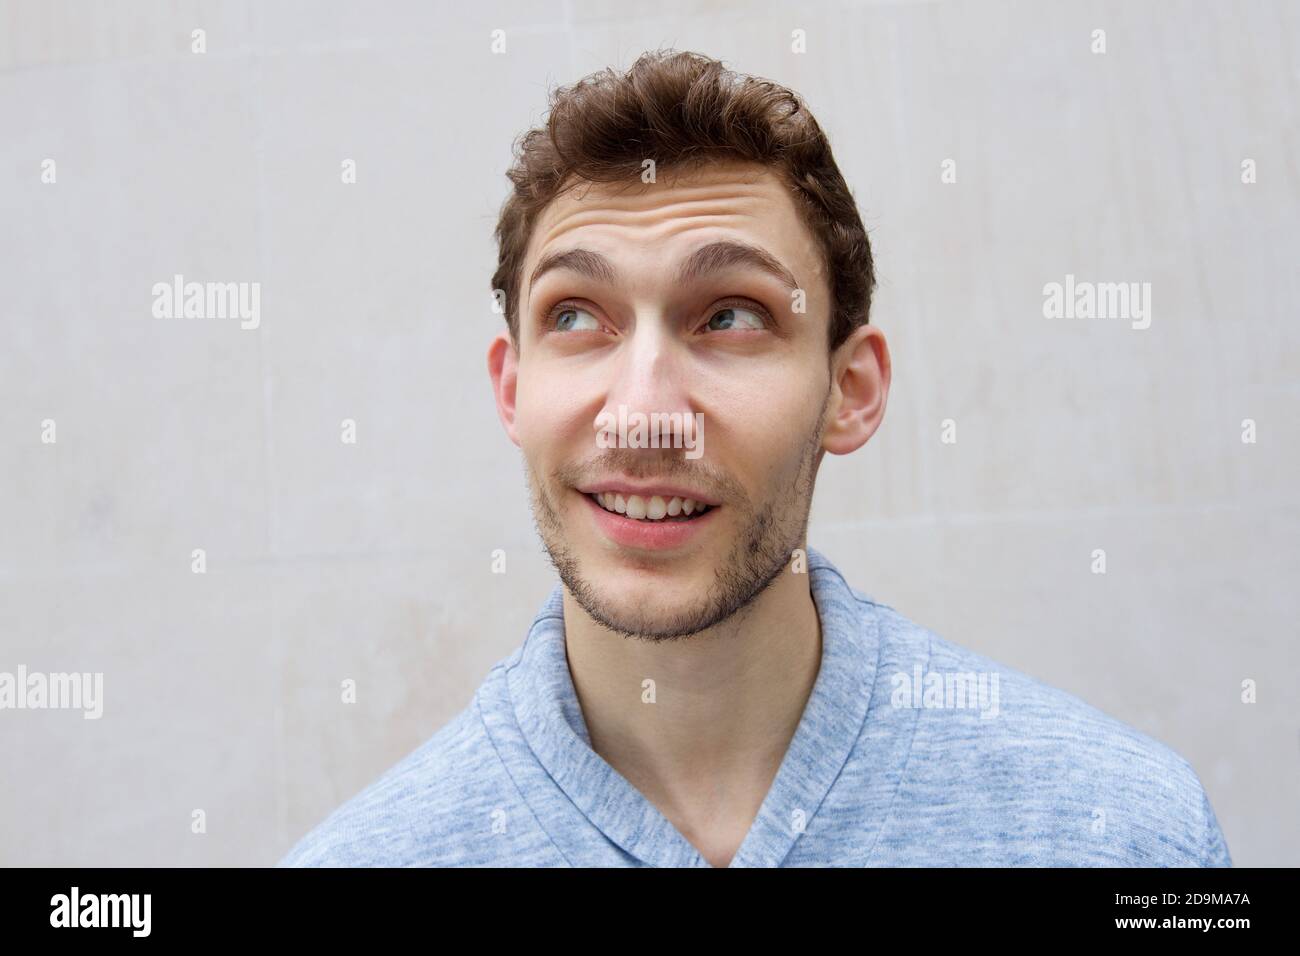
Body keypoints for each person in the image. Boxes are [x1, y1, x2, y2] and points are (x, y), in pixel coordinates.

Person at [280, 49, 1231, 868]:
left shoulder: (1127, 835)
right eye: (577, 317)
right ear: (512, 390)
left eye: (730, 316)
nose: (645, 417)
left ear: (849, 391)